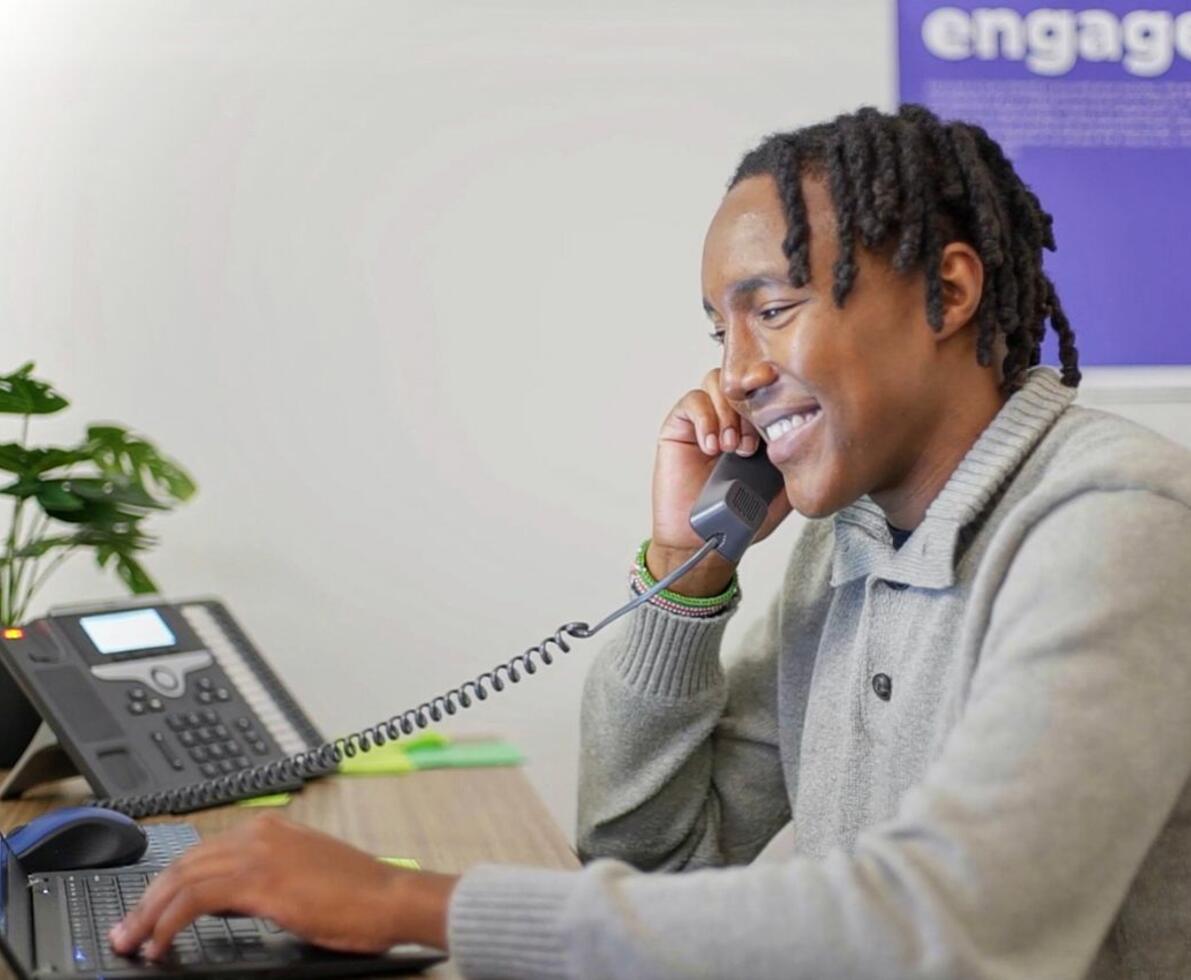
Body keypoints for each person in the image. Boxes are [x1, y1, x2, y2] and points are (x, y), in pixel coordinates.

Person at [110, 104, 1191, 979]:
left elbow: (951, 928)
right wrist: (689, 571)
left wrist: (411, 902)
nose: (738, 371)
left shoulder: (1117, 524)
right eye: (719, 328)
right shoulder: (850, 539)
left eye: (772, 307)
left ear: (949, 291)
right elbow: (651, 856)